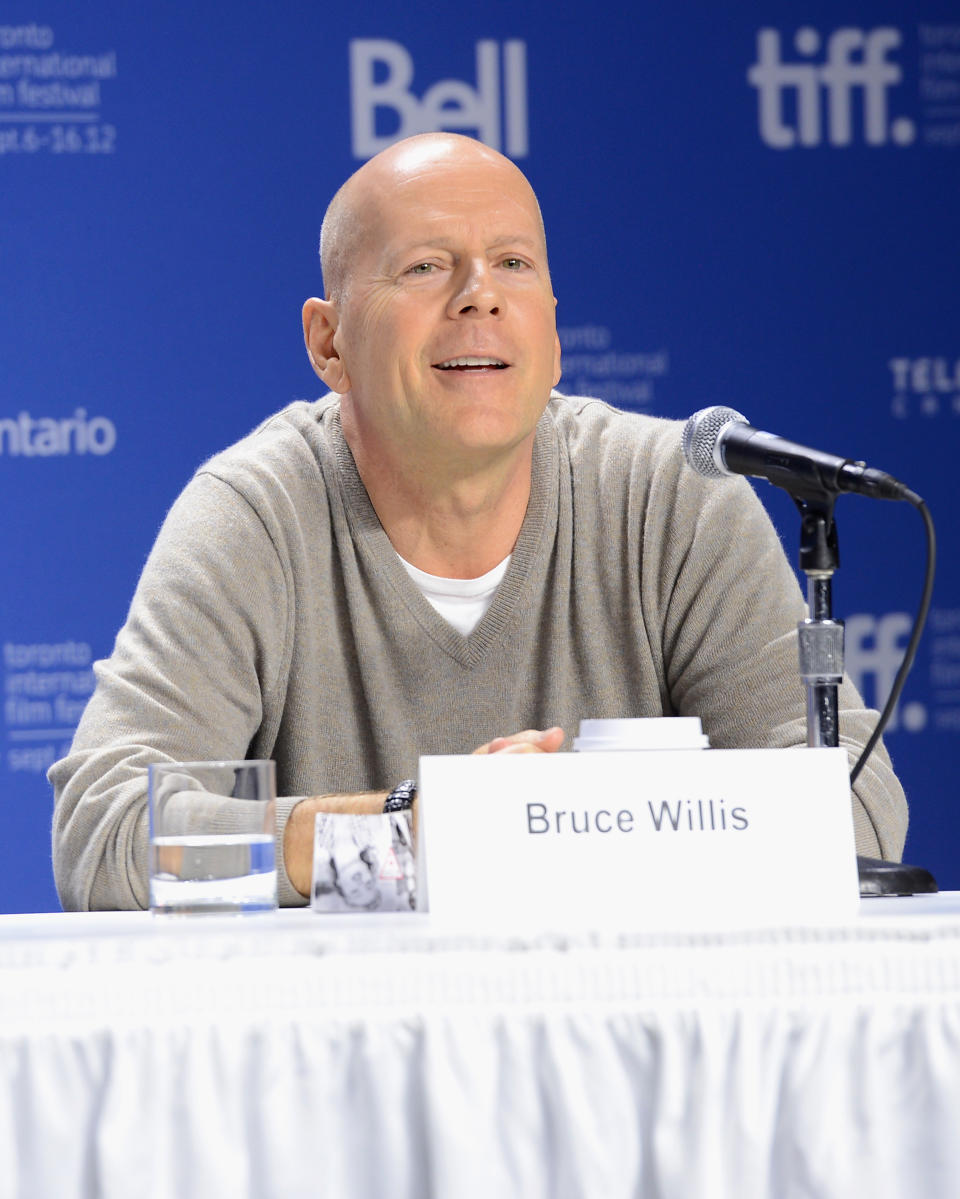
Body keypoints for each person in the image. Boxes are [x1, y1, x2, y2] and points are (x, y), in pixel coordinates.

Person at [50, 132, 908, 911]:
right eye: (426, 266)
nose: (479, 297)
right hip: (347, 1053)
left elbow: (859, 809)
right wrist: (410, 831)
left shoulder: (673, 496)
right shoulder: (257, 514)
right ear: (328, 344)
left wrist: (565, 823)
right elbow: (105, 835)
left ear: (554, 329)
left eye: (513, 264)